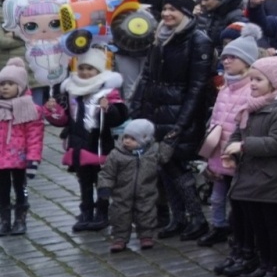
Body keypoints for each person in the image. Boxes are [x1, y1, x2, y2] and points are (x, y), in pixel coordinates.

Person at [130, 0, 215, 240]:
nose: (167, 14)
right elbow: (146, 76)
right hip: (156, 110)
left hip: (180, 112)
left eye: (173, 10)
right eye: (165, 9)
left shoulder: (199, 41)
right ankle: (178, 218)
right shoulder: (160, 38)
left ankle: (197, 218)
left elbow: (197, 86)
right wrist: (136, 106)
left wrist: (181, 122)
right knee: (165, 165)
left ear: (185, 13)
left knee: (177, 165)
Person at [222, 52, 277, 277]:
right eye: (252, 79)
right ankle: (263, 263)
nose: (253, 84)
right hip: (252, 173)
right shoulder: (254, 106)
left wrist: (245, 146)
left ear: (275, 82)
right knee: (257, 223)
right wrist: (232, 148)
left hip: (273, 176)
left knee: (272, 224)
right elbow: (241, 130)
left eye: (258, 80)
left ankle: (276, 270)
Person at [198, 30, 270, 251]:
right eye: (225, 57)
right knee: (218, 197)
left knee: (238, 203)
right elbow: (217, 119)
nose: (226, 61)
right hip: (220, 152)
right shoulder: (226, 88)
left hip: (237, 155)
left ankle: (242, 242)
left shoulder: (252, 89)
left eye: (233, 57)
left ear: (247, 62)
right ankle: (222, 229)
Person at [47, 50, 125, 233]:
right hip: (78, 145)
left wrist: (109, 110)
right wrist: (53, 110)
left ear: (99, 71)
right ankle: (86, 211)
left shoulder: (108, 92)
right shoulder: (71, 90)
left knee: (102, 180)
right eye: (81, 68)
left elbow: (119, 118)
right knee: (84, 181)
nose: (85, 72)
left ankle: (102, 212)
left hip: (99, 145)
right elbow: (64, 119)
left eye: (90, 68)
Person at [100, 118, 160, 251]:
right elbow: (107, 173)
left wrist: (169, 144)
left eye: (133, 139)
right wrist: (105, 187)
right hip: (122, 192)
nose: (127, 141)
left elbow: (164, 156)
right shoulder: (117, 154)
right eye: (125, 137)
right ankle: (120, 238)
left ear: (144, 139)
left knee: (146, 213)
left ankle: (146, 236)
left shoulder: (152, 152)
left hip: (146, 191)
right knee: (120, 214)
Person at [0, 59, 44, 235]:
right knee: (2, 190)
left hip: (20, 158)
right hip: (1, 159)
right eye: (2, 84)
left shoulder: (30, 109)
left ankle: (20, 218)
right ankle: (4, 220)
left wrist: (33, 159)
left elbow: (34, 136)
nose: (5, 88)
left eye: (10, 84)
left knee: (20, 188)